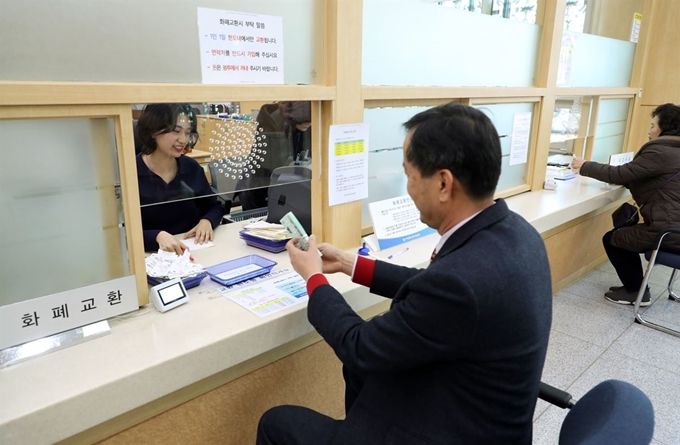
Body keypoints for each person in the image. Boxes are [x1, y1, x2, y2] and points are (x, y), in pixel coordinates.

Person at [256, 103, 553, 445]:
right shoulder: (515, 232)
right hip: (479, 407)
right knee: (360, 373)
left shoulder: (459, 283)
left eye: (410, 175)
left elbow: (361, 346)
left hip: (452, 427)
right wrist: (352, 264)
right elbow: (432, 289)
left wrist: (313, 279)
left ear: (444, 183)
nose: (408, 187)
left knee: (277, 422)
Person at [572, 103, 680, 306]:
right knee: (625, 233)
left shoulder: (661, 151)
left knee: (614, 238)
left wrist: (584, 165)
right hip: (674, 227)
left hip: (670, 232)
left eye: (652, 126)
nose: (649, 131)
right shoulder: (673, 151)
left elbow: (620, 174)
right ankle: (635, 287)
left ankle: (636, 292)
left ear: (664, 127)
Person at [136, 103, 224, 254]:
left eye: (188, 133)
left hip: (193, 250)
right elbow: (119, 230)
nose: (183, 140)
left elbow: (214, 206)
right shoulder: (132, 172)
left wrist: (207, 220)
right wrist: (155, 236)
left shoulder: (191, 167)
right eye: (176, 131)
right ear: (153, 131)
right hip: (148, 257)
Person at [237, 101, 312, 210]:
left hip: (283, 185)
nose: (309, 124)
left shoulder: (301, 125)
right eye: (306, 121)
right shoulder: (274, 123)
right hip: (260, 186)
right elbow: (276, 170)